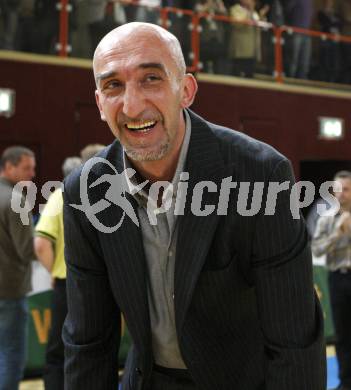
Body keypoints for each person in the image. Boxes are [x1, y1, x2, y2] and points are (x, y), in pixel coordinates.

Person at [63, 22, 326, 390]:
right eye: (113, 86)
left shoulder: (260, 174)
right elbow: (88, 341)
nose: (132, 105)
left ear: (185, 90)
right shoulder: (85, 190)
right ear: (99, 104)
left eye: (151, 78)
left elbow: (294, 341)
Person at [34, 156, 81, 390]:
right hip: (97, 283)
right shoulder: (103, 196)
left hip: (66, 282)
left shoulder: (59, 196)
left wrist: (53, 270)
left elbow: (41, 243)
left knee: (58, 349)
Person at [0, 146, 36, 390]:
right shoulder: (16, 200)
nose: (32, 174)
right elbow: (27, 250)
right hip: (9, 289)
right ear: (9, 167)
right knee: (11, 354)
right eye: (27, 168)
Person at [312, 170, 351, 390]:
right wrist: (337, 233)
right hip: (337, 279)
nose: (341, 194)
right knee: (342, 334)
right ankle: (346, 382)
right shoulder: (326, 219)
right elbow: (316, 248)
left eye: (346, 189)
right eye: (337, 190)